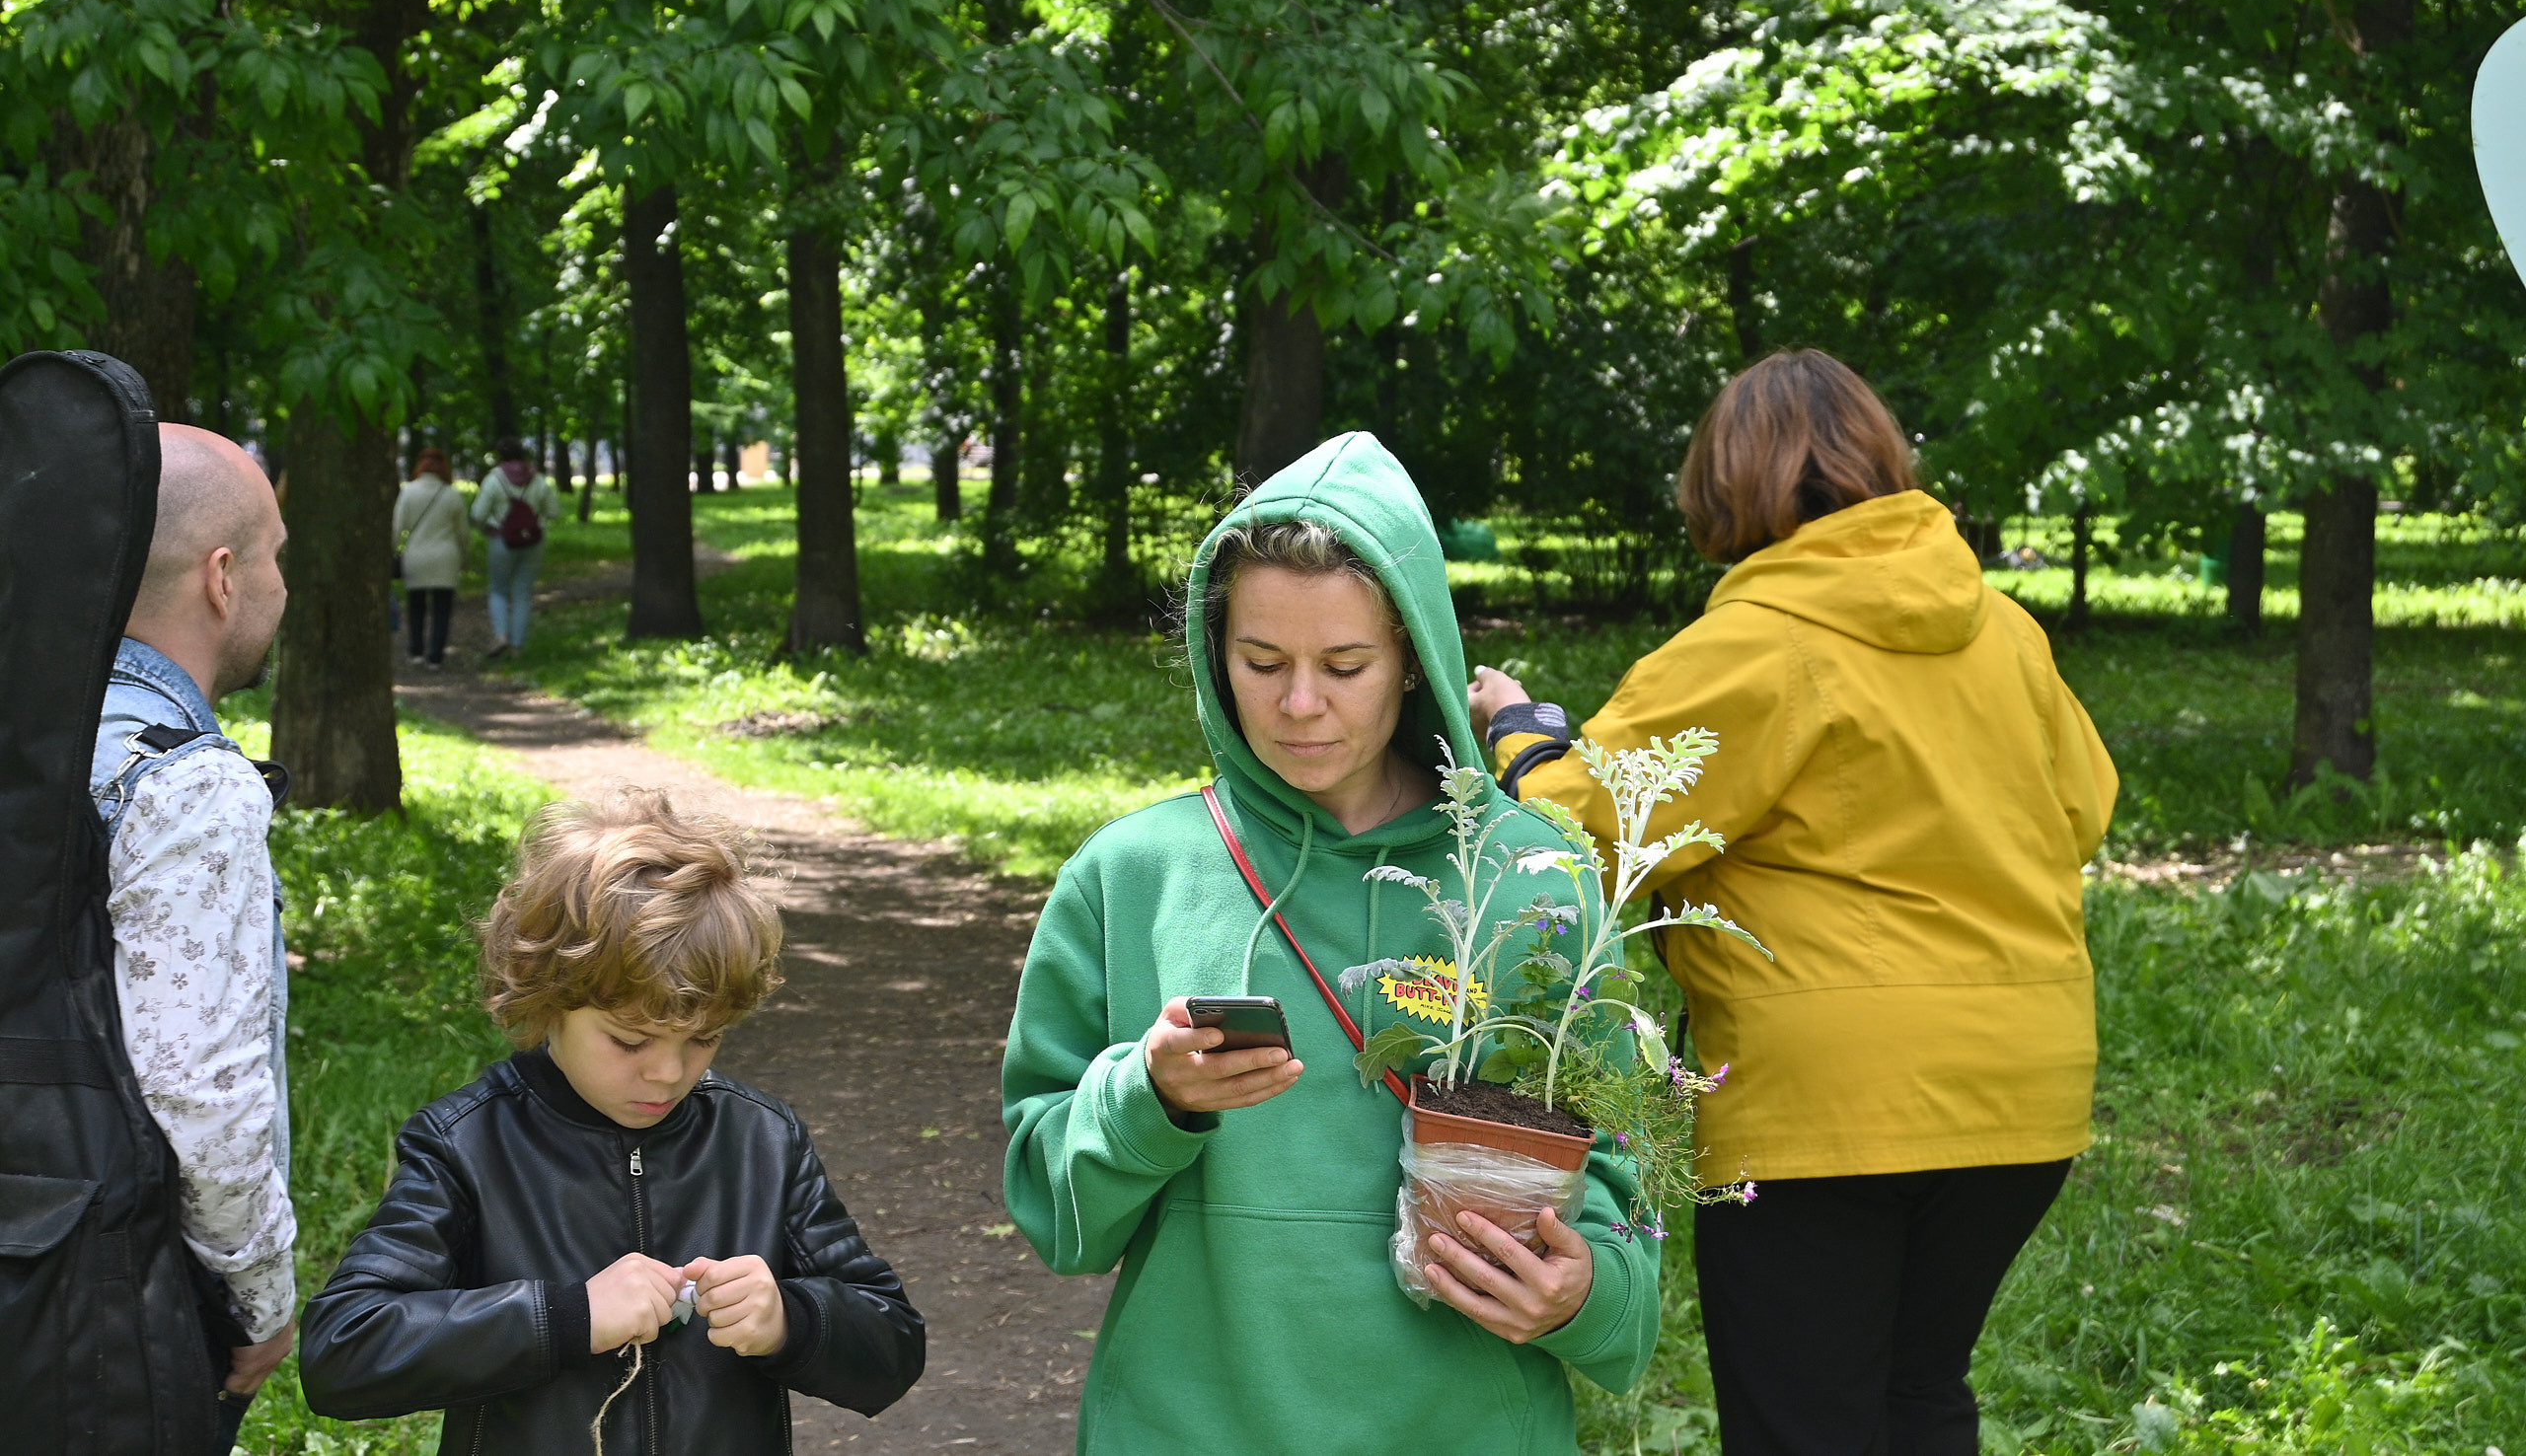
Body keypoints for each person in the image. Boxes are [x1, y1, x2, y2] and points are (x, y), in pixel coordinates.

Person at [1468, 350, 2117, 1456]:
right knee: (1918, 1396)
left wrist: (1519, 732)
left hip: (1828, 1108)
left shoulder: (1758, 640)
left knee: (1801, 1425)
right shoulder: (2004, 630)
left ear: (1724, 483)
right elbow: (2086, 806)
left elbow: (1587, 820)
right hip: (2024, 1087)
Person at [1002, 432, 1661, 1456]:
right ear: (1215, 656)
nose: (1299, 704)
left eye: (1344, 665)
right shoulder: (1130, 875)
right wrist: (1152, 1098)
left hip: (1468, 1427)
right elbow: (1057, 1214)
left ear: (1413, 661)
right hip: (1188, 1425)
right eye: (1260, 662)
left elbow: (1614, 1174)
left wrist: (1585, 1293)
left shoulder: (1535, 874)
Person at [298, 790, 925, 1454]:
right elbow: (345, 1349)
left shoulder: (761, 1141)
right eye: (630, 1041)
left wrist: (791, 1319)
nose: (667, 1072)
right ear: (547, 997)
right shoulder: (470, 1144)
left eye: (703, 1038)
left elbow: (893, 1345)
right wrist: (568, 1317)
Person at [89, 424, 299, 1452]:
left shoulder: (31, 733)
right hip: (122, 1311)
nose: (281, 587)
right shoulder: (187, 782)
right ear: (223, 577)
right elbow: (199, 1096)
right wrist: (258, 1305)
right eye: (276, 555)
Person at [471, 435, 559, 658]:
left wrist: (489, 525)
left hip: (501, 541)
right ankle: (518, 647)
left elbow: (477, 514)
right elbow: (554, 512)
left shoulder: (494, 480)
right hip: (533, 542)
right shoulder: (537, 479)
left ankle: (501, 635)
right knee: (522, 593)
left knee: (498, 590)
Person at [394, 447, 467, 668]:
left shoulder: (408, 492)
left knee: (416, 606)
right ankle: (436, 655)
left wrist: (392, 551)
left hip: (416, 555)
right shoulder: (452, 494)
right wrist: (465, 555)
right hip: (446, 556)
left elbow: (397, 527)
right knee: (442, 608)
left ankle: (416, 651)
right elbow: (462, 532)